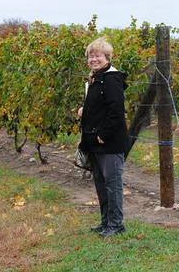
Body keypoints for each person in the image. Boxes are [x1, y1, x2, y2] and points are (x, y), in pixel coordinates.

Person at [78, 37, 129, 238]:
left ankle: (116, 225)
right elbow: (99, 105)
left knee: (112, 184)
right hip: (95, 142)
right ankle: (106, 222)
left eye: (98, 55)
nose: (94, 59)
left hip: (109, 142)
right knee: (101, 183)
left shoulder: (111, 79)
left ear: (106, 57)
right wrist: (85, 110)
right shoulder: (96, 78)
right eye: (91, 56)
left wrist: (103, 135)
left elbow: (116, 111)